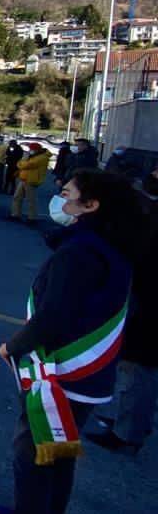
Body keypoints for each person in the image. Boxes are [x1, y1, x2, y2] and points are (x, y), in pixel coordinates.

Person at [0, 170, 138, 514]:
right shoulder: (110, 244)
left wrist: (12, 346)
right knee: (57, 456)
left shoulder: (80, 253)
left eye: (68, 192)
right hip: (86, 378)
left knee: (35, 459)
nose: (60, 196)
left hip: (61, 377)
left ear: (91, 204)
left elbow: (53, 317)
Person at [87, 168, 158, 455]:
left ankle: (128, 434)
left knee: (138, 369)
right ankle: (133, 422)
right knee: (138, 370)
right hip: (146, 302)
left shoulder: (152, 219)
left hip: (149, 307)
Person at [10, 143, 50, 223]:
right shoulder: (33, 156)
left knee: (31, 200)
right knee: (17, 197)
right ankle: (15, 214)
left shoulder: (42, 158)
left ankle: (32, 217)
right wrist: (22, 162)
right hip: (24, 179)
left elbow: (26, 165)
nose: (29, 151)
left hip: (32, 180)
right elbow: (22, 164)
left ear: (36, 150)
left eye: (31, 149)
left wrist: (22, 161)